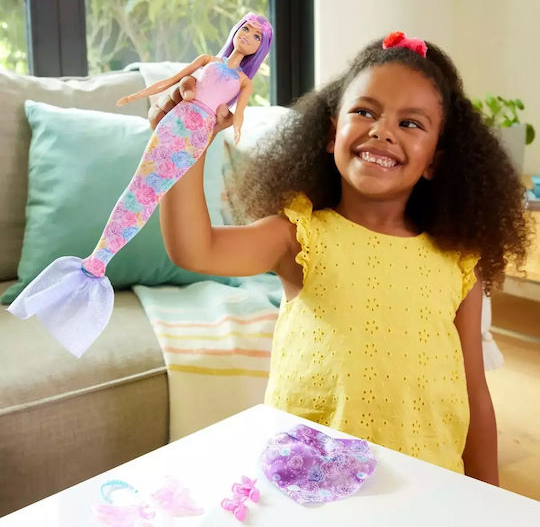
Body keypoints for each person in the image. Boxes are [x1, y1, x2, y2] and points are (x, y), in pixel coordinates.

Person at [155, 31, 532, 485]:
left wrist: (491, 501)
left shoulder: (458, 261)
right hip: (312, 491)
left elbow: (474, 390)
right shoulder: (298, 236)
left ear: (435, 160)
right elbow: (195, 248)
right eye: (364, 112)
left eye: (411, 123)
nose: (382, 130)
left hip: (428, 489)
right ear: (332, 134)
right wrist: (185, 142)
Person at [7, 13, 273, 357]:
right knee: (139, 187)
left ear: (260, 48)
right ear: (236, 30)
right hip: (177, 120)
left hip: (199, 133)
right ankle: (97, 259)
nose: (247, 36)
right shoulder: (207, 60)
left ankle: (99, 262)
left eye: (255, 36)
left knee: (153, 194)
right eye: (245, 29)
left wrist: (232, 130)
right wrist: (140, 95)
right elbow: (171, 82)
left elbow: (238, 116)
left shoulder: (244, 82)